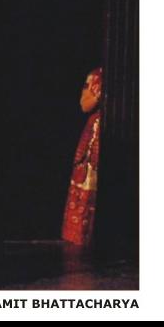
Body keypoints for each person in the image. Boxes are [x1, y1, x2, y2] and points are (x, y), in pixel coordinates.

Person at [62, 67, 103, 246]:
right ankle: (81, 237)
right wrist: (99, 96)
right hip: (95, 134)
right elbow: (84, 105)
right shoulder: (96, 76)